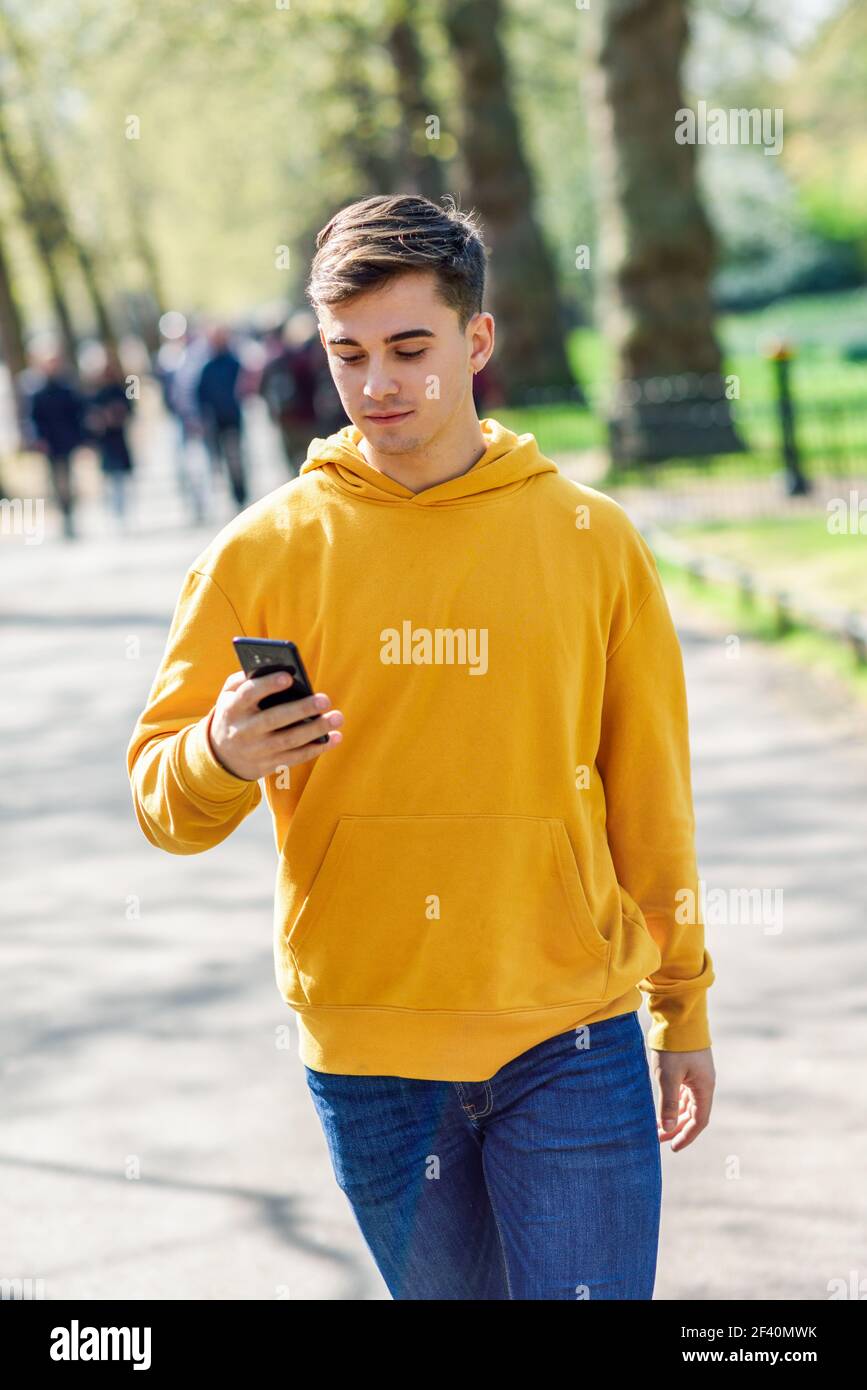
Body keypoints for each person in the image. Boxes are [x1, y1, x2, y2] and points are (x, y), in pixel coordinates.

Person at [126, 193, 716, 1301]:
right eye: (348, 353)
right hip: (370, 1055)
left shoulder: (591, 540)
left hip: (571, 1038)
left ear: (477, 338)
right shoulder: (261, 551)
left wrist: (682, 1003)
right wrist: (219, 753)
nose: (378, 384)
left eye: (410, 347)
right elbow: (162, 799)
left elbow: (652, 794)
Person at [24, 349, 87, 539]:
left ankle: (71, 514)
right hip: (49, 444)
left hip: (66, 441)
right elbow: (32, 418)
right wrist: (37, 439)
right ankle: (64, 516)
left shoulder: (66, 386)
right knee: (57, 480)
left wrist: (81, 437)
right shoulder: (36, 390)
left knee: (68, 478)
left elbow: (78, 413)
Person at [195, 322, 248, 509]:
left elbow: (244, 385)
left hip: (232, 419)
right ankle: (227, 495)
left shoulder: (233, 362)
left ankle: (240, 495)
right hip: (215, 422)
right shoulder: (206, 366)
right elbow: (200, 395)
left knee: (235, 459)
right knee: (218, 462)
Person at [83, 353, 136, 529]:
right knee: (107, 475)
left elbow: (130, 408)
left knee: (120, 475)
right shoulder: (91, 392)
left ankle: (122, 511)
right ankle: (113, 511)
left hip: (118, 437)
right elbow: (86, 415)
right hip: (103, 440)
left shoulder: (120, 388)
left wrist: (116, 415)